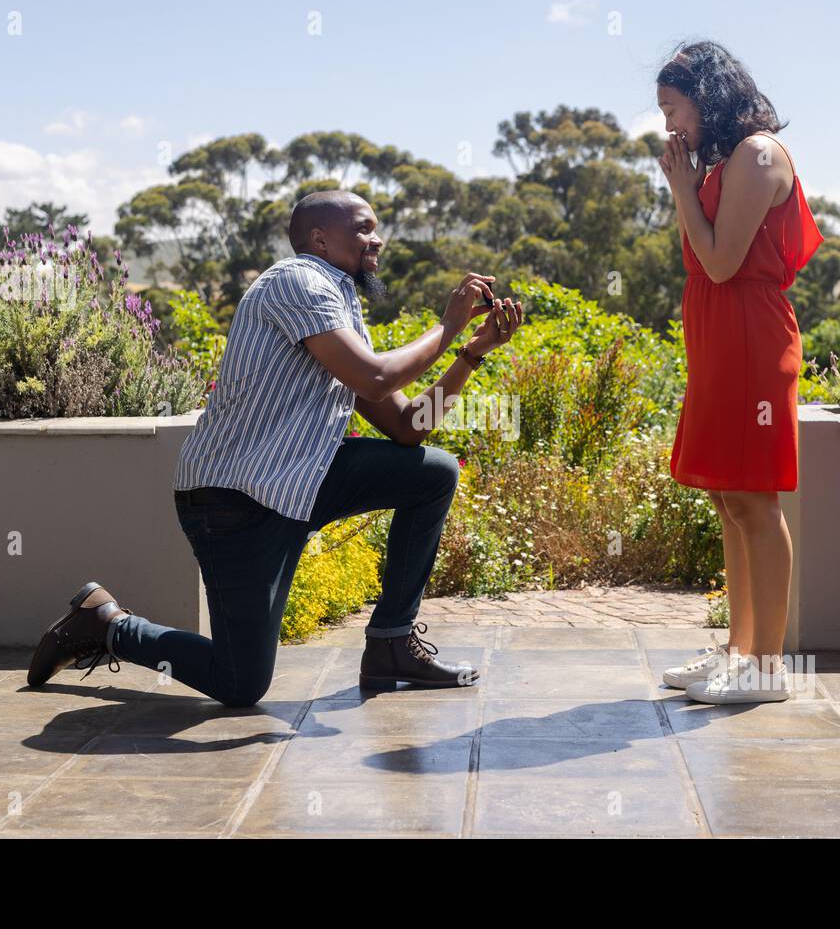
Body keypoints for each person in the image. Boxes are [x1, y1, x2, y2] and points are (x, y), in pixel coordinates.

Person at [27, 189, 523, 706]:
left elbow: (405, 426)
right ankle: (107, 624)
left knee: (433, 472)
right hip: (233, 499)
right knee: (240, 683)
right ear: (319, 238)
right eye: (363, 228)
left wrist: (471, 353)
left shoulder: (338, 300)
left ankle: (391, 646)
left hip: (300, 482)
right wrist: (448, 324)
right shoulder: (297, 283)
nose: (377, 239)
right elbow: (375, 379)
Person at [654, 41, 824, 704]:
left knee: (755, 497)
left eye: (674, 109)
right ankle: (738, 653)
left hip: (753, 340)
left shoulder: (756, 155)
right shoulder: (718, 164)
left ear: (706, 97)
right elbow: (703, 257)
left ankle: (767, 669)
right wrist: (688, 184)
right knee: (729, 497)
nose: (671, 126)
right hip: (719, 338)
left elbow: (722, 261)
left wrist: (679, 187)